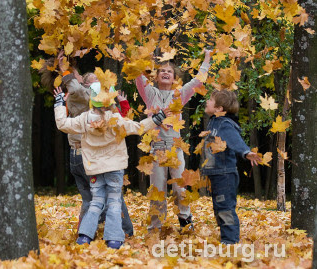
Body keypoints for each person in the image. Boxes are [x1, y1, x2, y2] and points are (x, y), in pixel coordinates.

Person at [53, 84, 170, 249]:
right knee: (114, 201)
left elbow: (62, 124)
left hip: (94, 168)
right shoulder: (115, 119)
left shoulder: (84, 119)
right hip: (114, 168)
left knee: (96, 201)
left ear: (92, 101)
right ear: (109, 102)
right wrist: (157, 119)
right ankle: (114, 239)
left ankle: (85, 236)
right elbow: (137, 128)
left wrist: (59, 104)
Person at [135, 50, 211, 231]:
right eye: (162, 71)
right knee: (157, 191)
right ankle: (155, 227)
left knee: (180, 188)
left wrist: (207, 57)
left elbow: (198, 81)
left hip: (175, 150)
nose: (166, 73)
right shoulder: (150, 93)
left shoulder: (180, 94)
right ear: (156, 76)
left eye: (169, 71)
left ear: (175, 77)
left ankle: (186, 221)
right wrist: (141, 57)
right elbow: (138, 77)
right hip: (157, 150)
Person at [200, 89, 262, 244]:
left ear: (219, 108)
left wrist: (246, 153)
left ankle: (230, 241)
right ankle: (226, 237)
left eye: (210, 100)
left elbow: (235, 140)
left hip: (225, 175)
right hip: (217, 173)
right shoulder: (213, 121)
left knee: (225, 208)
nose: (207, 101)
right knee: (219, 207)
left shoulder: (225, 124)